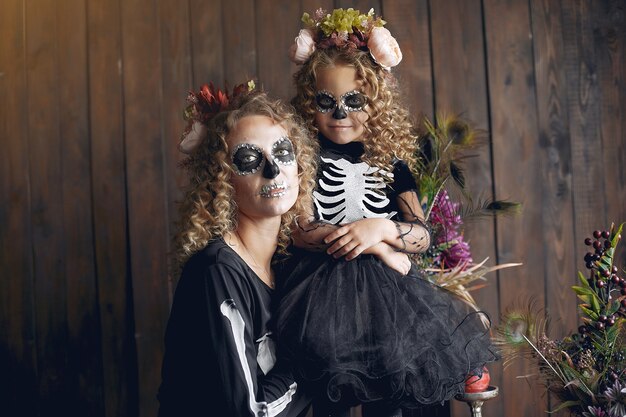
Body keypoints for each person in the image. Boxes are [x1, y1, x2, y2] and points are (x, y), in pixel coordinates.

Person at [276, 8, 498, 417]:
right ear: (310, 103)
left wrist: (379, 227)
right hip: (320, 298)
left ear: (375, 102)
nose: (340, 113)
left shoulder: (390, 163)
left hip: (393, 300)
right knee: (332, 391)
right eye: (326, 101)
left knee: (401, 387)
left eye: (354, 101)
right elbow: (298, 229)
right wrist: (378, 248)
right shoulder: (303, 158)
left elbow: (421, 235)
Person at [157, 83, 318, 417]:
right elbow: (251, 411)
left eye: (283, 152)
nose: (273, 170)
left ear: (299, 164)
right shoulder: (217, 271)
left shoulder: (288, 264)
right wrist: (317, 358)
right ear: (223, 180)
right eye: (249, 159)